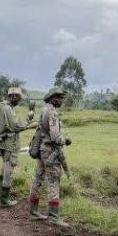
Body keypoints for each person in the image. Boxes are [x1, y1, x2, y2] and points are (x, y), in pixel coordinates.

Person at [27, 87, 71, 228]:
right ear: (53, 98)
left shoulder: (44, 110)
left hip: (41, 149)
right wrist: (66, 140)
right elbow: (55, 137)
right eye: (60, 97)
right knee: (53, 181)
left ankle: (33, 212)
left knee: (37, 179)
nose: (62, 100)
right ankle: (53, 217)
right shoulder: (52, 113)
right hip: (50, 151)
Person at [0, 87, 35, 207]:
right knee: (9, 171)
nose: (19, 100)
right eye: (18, 97)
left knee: (4, 168)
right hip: (9, 145)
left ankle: (0, 192)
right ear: (13, 96)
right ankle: (5, 200)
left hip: (3, 143)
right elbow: (15, 126)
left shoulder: (3, 107)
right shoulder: (7, 108)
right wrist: (29, 118)